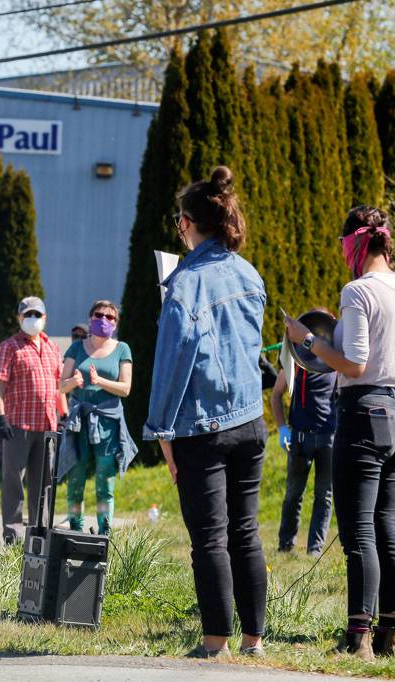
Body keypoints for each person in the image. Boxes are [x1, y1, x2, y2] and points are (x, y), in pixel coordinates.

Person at [285, 205, 395, 659]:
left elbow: (354, 364)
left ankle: (358, 637)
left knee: (359, 533)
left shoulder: (357, 290)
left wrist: (306, 340)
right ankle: (392, 635)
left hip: (363, 411)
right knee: (390, 527)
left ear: (354, 243)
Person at [145, 166, 268, 660]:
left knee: (210, 539)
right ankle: (254, 639)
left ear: (187, 224)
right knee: (247, 531)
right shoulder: (248, 272)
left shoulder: (185, 286)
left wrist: (162, 431)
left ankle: (215, 641)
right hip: (250, 420)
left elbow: (172, 364)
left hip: (203, 425)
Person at [57, 300, 137, 534]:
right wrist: (72, 382)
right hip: (79, 422)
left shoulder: (123, 349)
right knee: (76, 480)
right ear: (91, 318)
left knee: (105, 482)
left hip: (108, 423)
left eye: (110, 317)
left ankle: (104, 533)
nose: (104, 320)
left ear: (116, 323)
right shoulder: (77, 348)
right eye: (99, 315)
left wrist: (100, 381)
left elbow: (126, 388)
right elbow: (61, 385)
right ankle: (75, 530)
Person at [0, 296, 67, 545]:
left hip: (47, 426)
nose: (32, 319)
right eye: (27, 315)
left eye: (37, 315)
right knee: (14, 481)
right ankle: (12, 535)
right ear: (19, 318)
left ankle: (40, 534)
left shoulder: (52, 348)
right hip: (18, 425)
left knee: (44, 483)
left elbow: (58, 387)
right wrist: (0, 416)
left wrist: (63, 414)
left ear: (45, 318)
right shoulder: (9, 346)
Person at [271, 339, 337, 557]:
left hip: (329, 438)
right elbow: (276, 395)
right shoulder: (297, 362)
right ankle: (285, 545)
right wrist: (282, 429)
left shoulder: (335, 363)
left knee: (324, 496)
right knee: (293, 494)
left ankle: (314, 550)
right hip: (300, 438)